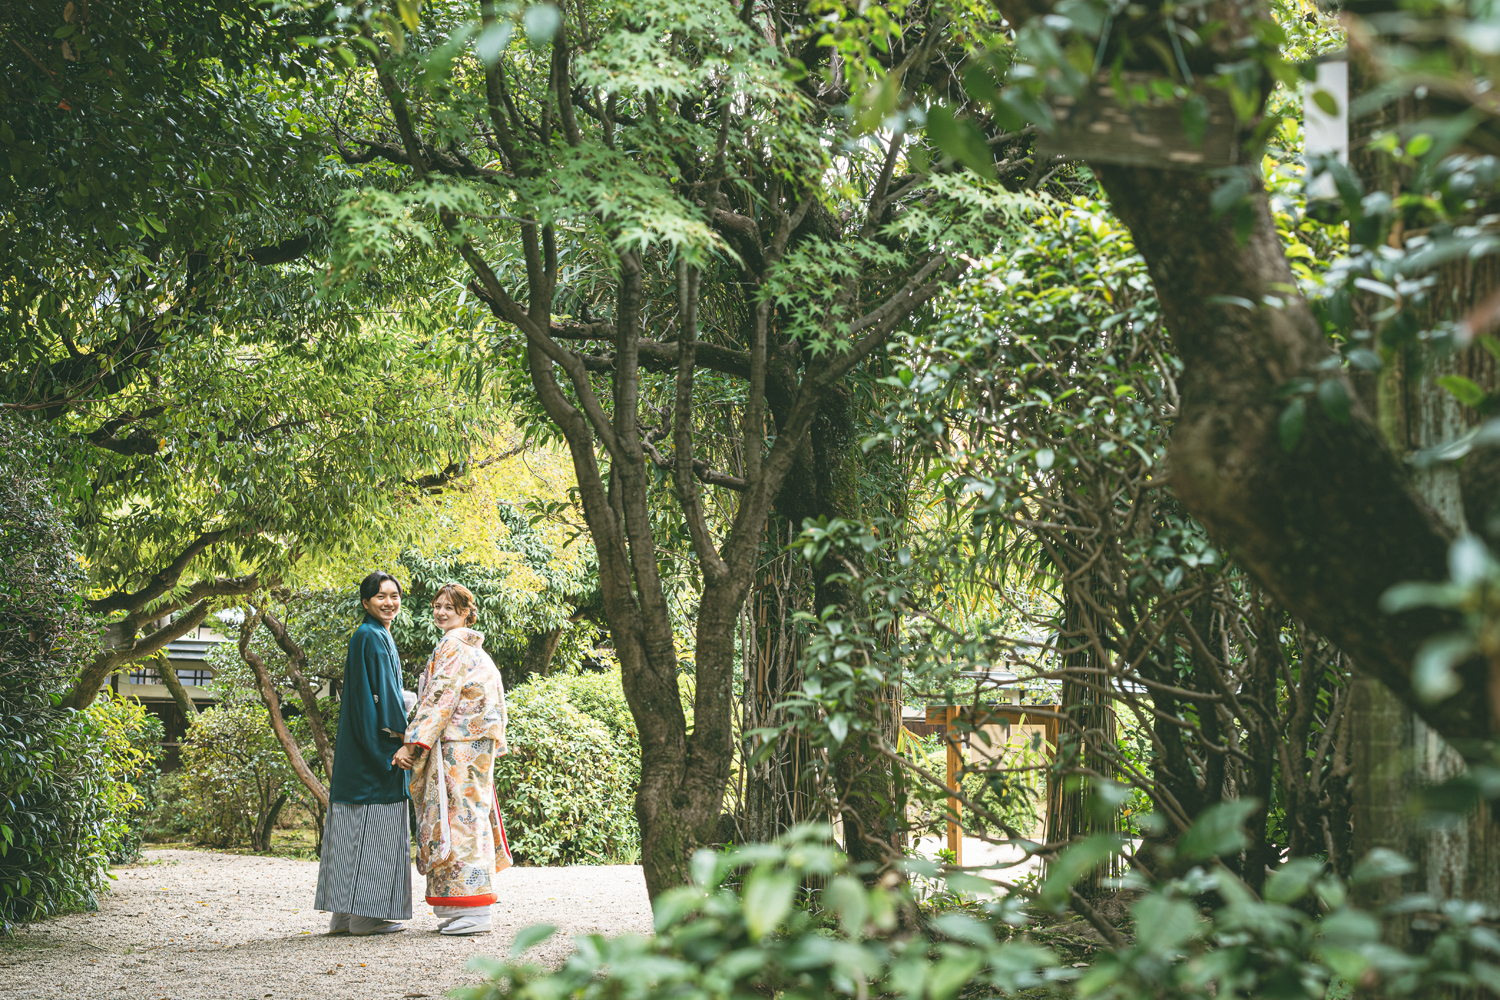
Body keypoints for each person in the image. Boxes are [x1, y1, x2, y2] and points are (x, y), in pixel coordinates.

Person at [391, 583, 511, 936]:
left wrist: (412, 746)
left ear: (466, 613)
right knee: (468, 816)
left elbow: (439, 698)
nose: (442, 612)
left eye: (451, 607)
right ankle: (465, 908)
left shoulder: (453, 645)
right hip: (475, 745)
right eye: (438, 606)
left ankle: (470, 909)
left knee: (454, 817)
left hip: (459, 744)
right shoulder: (471, 649)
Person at [315, 571, 412, 936]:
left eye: (395, 595)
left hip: (356, 749)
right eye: (381, 596)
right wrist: (406, 736)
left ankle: (342, 914)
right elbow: (386, 696)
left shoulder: (366, 635)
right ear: (366, 602)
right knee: (377, 829)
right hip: (376, 748)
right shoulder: (373, 637)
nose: (390, 602)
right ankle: (368, 917)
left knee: (349, 827)